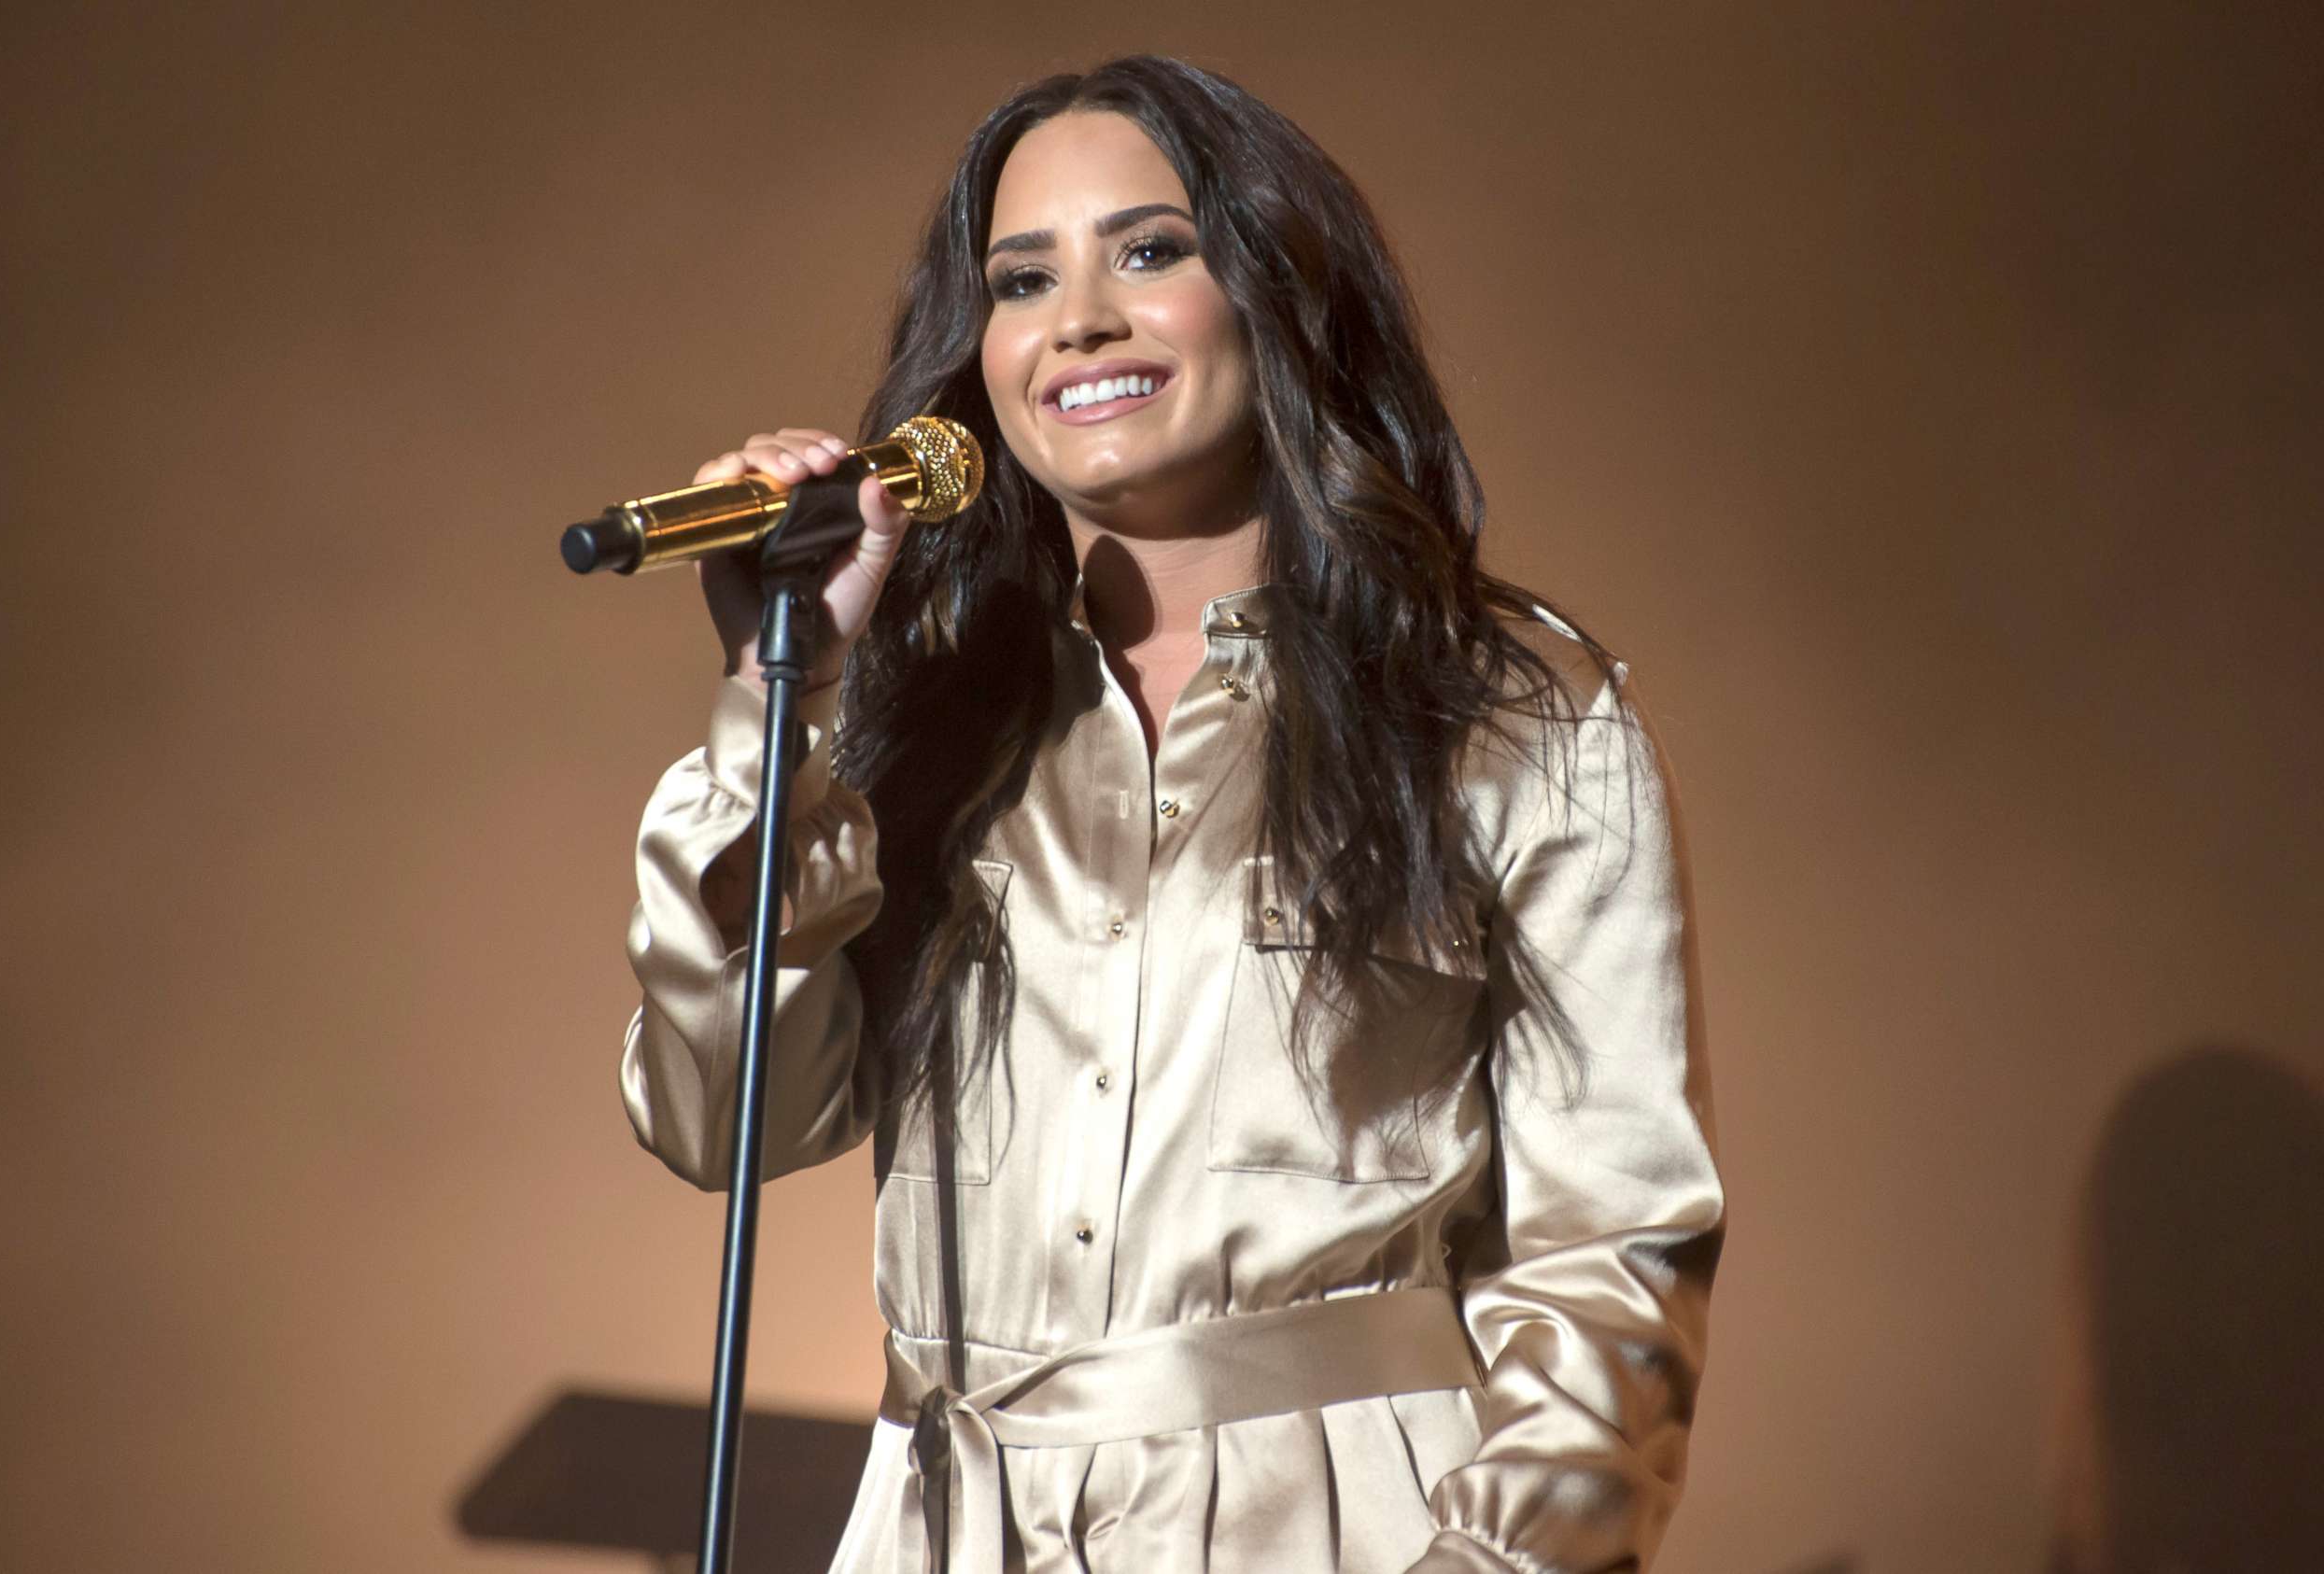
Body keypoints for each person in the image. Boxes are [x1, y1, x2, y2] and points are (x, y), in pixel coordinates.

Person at [617, 55, 1724, 1574]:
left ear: (1276, 290)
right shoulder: (929, 714)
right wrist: (778, 690)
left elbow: (1612, 1256)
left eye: (1150, 249)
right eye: (1021, 278)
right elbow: (716, 1113)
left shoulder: (1508, 710)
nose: (1078, 318)